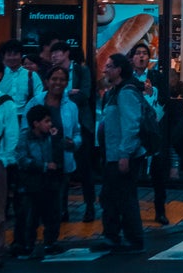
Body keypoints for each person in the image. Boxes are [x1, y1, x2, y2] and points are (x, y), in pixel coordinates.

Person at [95, 53, 145, 254]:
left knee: (125, 197)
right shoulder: (113, 92)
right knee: (110, 196)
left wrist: (124, 154)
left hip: (123, 155)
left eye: (108, 66)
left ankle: (133, 239)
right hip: (112, 153)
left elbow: (131, 125)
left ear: (119, 70)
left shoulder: (125, 93)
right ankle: (112, 236)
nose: (105, 69)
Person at [22, 66, 79, 224]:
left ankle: (51, 241)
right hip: (37, 164)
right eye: (54, 79)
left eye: (62, 79)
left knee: (56, 206)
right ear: (47, 81)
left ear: (67, 82)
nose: (58, 83)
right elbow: (25, 130)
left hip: (61, 161)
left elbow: (77, 132)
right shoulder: (35, 102)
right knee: (34, 208)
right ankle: (31, 240)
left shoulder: (71, 106)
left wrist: (74, 143)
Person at [50, 42, 95, 221]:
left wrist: (65, 94)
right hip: (58, 124)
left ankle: (90, 207)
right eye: (52, 53)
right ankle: (62, 209)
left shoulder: (81, 70)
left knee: (85, 169)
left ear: (67, 53)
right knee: (61, 168)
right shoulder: (51, 72)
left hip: (81, 124)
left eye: (57, 52)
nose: (54, 56)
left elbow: (84, 94)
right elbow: (49, 94)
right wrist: (70, 92)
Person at [128, 42, 170, 225]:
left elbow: (164, 100)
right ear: (132, 58)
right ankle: (130, 212)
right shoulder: (127, 78)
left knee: (158, 175)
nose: (142, 56)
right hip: (133, 130)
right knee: (131, 174)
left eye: (145, 53)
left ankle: (160, 211)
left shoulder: (156, 76)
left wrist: (153, 93)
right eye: (138, 53)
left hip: (153, 130)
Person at [15, 105, 65, 256]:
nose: (50, 124)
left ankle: (50, 242)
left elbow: (57, 157)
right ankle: (26, 244)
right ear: (36, 123)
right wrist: (43, 166)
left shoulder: (51, 137)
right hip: (32, 182)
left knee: (52, 213)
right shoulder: (25, 137)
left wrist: (56, 140)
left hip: (48, 181)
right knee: (31, 215)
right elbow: (22, 159)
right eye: (46, 121)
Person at [0, 59, 16, 266]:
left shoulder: (5, 102)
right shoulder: (6, 103)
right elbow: (11, 135)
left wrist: (7, 160)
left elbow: (11, 136)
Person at [0, 40, 43, 121]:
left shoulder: (31, 75)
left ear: (21, 55)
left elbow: (39, 97)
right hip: (1, 118)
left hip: (25, 118)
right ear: (3, 56)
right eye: (9, 55)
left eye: (15, 54)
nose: (12, 58)